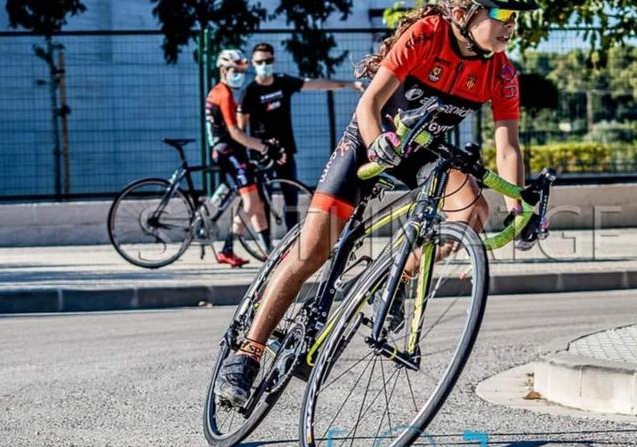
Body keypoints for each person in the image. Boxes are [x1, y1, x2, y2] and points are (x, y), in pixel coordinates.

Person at [216, 0, 537, 406]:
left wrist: (517, 207)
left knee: (473, 210)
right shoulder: (426, 35)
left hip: (423, 150)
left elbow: (507, 147)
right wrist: (377, 142)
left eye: (516, 17)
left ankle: (395, 278)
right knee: (312, 250)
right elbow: (369, 104)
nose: (511, 25)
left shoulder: (502, 71)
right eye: (502, 15)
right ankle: (247, 354)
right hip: (369, 140)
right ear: (463, 14)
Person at [236, 42, 364, 232]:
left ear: (274, 60)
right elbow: (240, 127)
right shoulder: (250, 92)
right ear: (253, 63)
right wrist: (251, 152)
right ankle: (267, 249)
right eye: (260, 61)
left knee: (291, 198)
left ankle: (291, 243)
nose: (265, 65)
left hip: (286, 151)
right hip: (262, 154)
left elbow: (316, 84)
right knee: (262, 201)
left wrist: (349, 84)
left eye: (268, 60)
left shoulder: (283, 82)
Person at [206, 49, 285, 267]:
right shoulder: (224, 94)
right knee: (251, 202)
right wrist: (263, 146)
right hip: (228, 151)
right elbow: (235, 133)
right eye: (235, 70)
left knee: (255, 201)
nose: (239, 74)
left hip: (230, 151)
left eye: (242, 70)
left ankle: (264, 251)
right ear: (223, 70)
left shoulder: (222, 91)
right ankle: (234, 248)